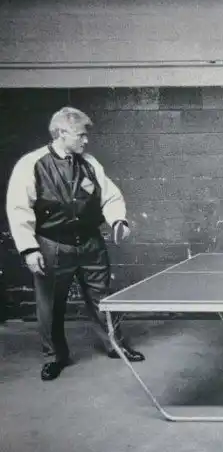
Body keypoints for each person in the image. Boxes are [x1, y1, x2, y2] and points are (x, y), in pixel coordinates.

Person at [5, 106, 145, 381]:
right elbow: (18, 208)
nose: (86, 140)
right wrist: (29, 249)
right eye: (81, 135)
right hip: (53, 245)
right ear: (61, 133)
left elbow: (110, 196)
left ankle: (115, 345)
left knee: (103, 298)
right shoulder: (31, 164)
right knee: (50, 304)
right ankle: (54, 357)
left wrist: (118, 220)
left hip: (91, 244)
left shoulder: (90, 163)